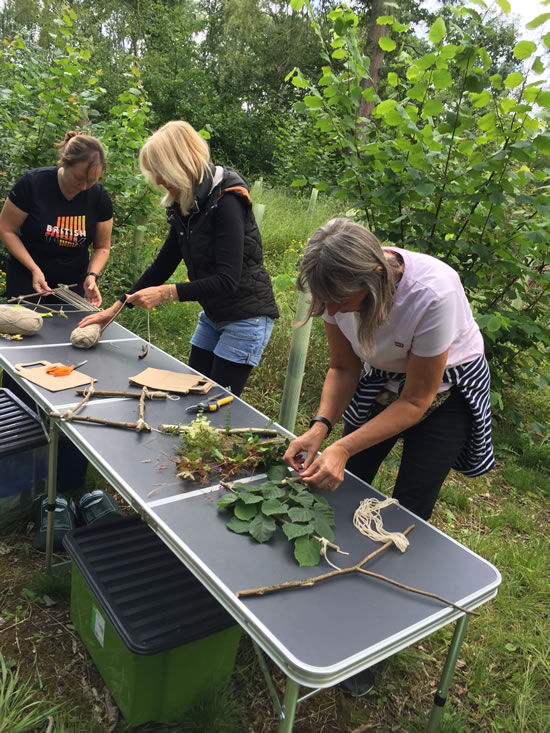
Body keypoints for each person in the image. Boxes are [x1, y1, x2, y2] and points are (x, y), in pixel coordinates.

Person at [283, 218, 494, 695]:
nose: (330, 310)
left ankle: (375, 642)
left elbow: (417, 401)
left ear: (373, 279)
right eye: (324, 301)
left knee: (406, 513)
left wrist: (341, 446)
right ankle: (328, 592)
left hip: (443, 391)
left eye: (338, 302)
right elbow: (343, 366)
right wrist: (322, 429)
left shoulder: (432, 293)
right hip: (382, 377)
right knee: (341, 485)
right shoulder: (335, 291)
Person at [79, 120, 278, 396]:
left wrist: (167, 293)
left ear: (180, 164)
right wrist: (116, 309)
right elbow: (163, 264)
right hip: (213, 314)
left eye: (160, 172)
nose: (158, 181)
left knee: (217, 405)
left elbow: (227, 280)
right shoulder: (185, 202)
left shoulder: (227, 199)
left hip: (246, 317)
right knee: (192, 391)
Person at [0, 131, 113, 306]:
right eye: (79, 178)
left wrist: (92, 276)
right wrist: (34, 269)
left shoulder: (99, 198)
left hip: (71, 285)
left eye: (91, 181)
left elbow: (102, 247)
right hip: (27, 279)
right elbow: (6, 229)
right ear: (64, 162)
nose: (84, 187)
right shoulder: (32, 184)